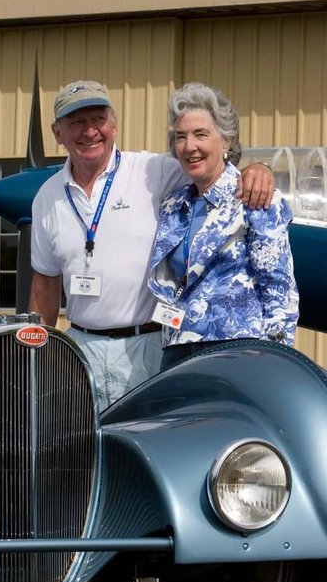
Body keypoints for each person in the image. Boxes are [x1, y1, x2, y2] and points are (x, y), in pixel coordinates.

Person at [29, 80, 275, 411]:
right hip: (79, 349)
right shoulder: (47, 196)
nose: (90, 131)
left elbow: (211, 168)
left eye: (98, 119)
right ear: (57, 133)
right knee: (79, 440)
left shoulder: (152, 171)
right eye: (77, 122)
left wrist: (257, 170)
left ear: (114, 125)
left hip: (147, 348)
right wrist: (35, 355)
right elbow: (45, 283)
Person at [148, 82, 299, 371]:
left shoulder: (254, 196)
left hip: (238, 354)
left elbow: (279, 291)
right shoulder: (172, 205)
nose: (189, 146)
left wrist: (276, 363)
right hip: (177, 351)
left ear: (226, 141)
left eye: (200, 134)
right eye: (181, 136)